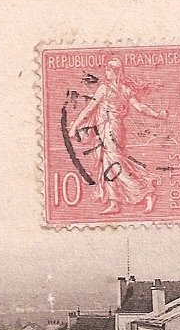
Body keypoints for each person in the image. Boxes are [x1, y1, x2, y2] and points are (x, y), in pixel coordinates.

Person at [69, 58, 167, 214]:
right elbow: (140, 107)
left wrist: (74, 127)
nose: (106, 72)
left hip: (111, 130)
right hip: (108, 130)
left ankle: (147, 192)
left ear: (116, 72)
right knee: (107, 164)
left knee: (114, 162)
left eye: (108, 70)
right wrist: (157, 115)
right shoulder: (123, 90)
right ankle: (114, 202)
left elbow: (89, 110)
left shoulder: (105, 89)